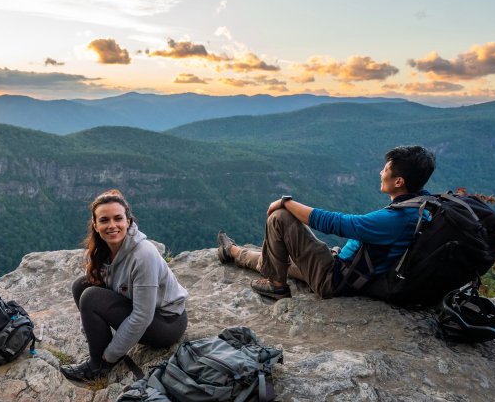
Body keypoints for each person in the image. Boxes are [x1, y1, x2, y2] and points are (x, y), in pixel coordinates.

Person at [216, 145, 436, 299]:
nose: (380, 172)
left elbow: (337, 223)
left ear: (398, 181)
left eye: (385, 169)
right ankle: (232, 252)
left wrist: (287, 202)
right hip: (348, 271)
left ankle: (276, 286)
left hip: (334, 279)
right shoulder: (422, 207)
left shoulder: (396, 219)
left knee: (279, 218)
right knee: (278, 261)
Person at [60, 189, 189, 383]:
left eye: (117, 218)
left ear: (128, 222)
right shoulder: (105, 249)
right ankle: (103, 345)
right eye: (104, 220)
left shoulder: (143, 255)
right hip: (146, 311)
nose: (112, 225)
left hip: (166, 322)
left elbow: (142, 316)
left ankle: (98, 366)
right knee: (81, 286)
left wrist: (111, 354)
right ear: (95, 225)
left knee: (90, 298)